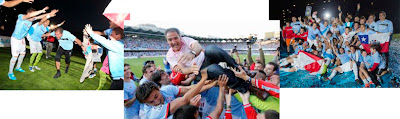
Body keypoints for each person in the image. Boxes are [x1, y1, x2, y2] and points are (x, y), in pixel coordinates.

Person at [135, 69, 214, 119]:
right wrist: (203, 79)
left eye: (156, 96)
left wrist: (209, 84)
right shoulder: (153, 113)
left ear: (158, 89)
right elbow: (185, 100)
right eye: (151, 102)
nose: (157, 102)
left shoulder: (166, 89)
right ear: (146, 103)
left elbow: (188, 89)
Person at [8, 7, 51, 80]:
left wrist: (49, 14)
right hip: (15, 39)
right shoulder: (21, 17)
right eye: (33, 15)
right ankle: (10, 72)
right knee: (15, 56)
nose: (34, 18)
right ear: (29, 14)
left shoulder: (32, 19)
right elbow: (32, 15)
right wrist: (41, 10)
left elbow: (40, 16)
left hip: (22, 39)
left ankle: (18, 67)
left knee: (22, 54)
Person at [84, 24, 124, 90]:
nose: (110, 36)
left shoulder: (118, 45)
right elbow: (103, 42)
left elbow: (104, 41)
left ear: (118, 36)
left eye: (112, 34)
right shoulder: (116, 44)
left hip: (119, 79)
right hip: (117, 77)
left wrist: (91, 33)